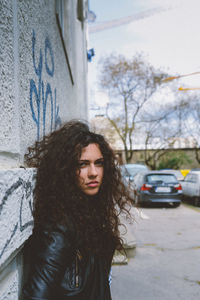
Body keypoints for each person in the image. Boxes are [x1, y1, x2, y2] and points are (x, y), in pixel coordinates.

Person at [22, 120, 134, 300]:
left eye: (99, 163)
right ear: (66, 169)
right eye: (83, 164)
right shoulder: (59, 225)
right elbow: (37, 295)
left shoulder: (92, 209)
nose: (93, 172)